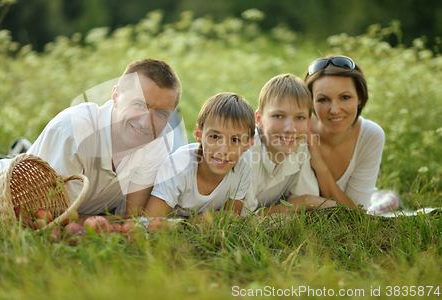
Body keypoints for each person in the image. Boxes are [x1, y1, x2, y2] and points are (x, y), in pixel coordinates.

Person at [0, 58, 182, 217]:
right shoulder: (74, 130)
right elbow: (52, 217)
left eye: (161, 113)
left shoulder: (157, 144)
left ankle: (23, 149)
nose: (146, 122)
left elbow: (131, 219)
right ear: (116, 96)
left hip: (67, 199)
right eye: (139, 104)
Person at [145, 92, 255, 218]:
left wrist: (200, 220)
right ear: (198, 134)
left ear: (248, 143)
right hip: (172, 156)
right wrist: (193, 224)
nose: (224, 150)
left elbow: (232, 215)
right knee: (168, 141)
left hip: (200, 151)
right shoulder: (176, 166)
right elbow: (152, 222)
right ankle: (172, 114)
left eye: (235, 140)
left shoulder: (244, 161)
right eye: (214, 136)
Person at [243, 74, 335, 215]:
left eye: (299, 117)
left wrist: (306, 201)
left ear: (308, 123)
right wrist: (307, 200)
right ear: (259, 119)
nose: (290, 129)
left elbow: (305, 211)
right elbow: (243, 218)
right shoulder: (247, 151)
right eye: (278, 116)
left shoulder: (301, 148)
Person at [303, 55, 385, 209]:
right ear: (310, 101)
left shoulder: (370, 135)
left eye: (345, 97)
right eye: (323, 99)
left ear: (359, 97)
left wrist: (319, 165)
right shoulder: (295, 130)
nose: (334, 110)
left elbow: (357, 213)